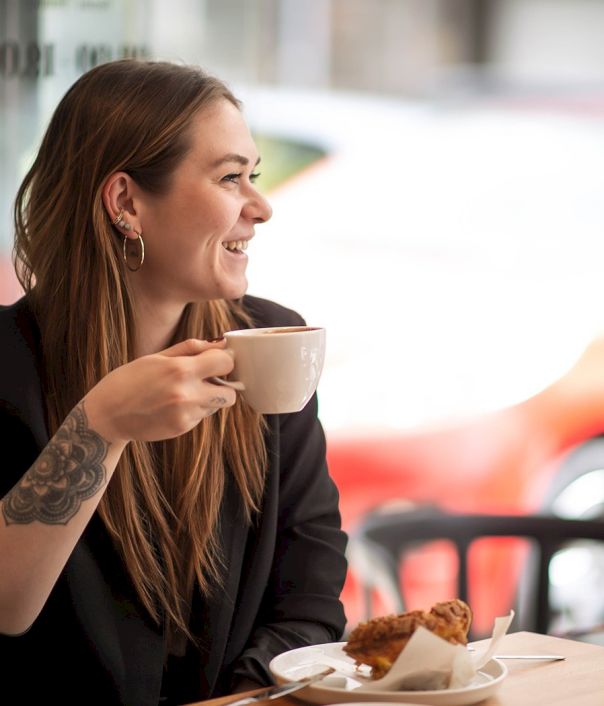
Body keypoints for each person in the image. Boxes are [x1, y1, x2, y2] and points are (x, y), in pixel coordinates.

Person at [0, 59, 347, 706]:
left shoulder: (271, 342)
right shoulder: (8, 366)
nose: (262, 206)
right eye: (230, 178)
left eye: (255, 176)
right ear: (126, 202)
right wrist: (98, 428)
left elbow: (311, 605)